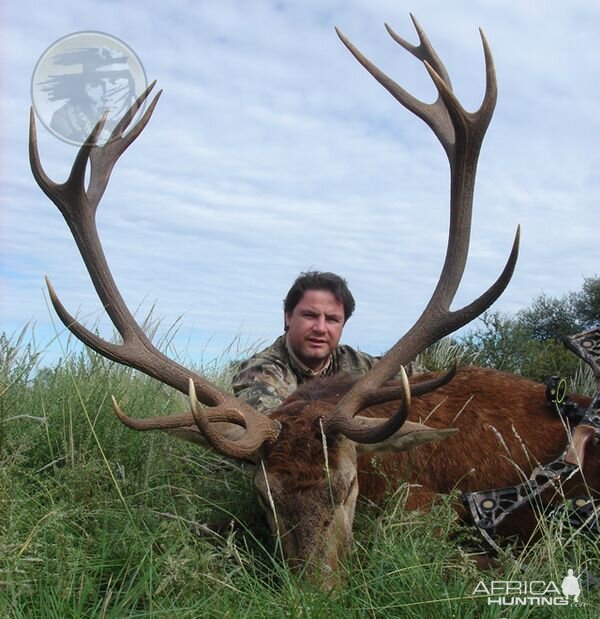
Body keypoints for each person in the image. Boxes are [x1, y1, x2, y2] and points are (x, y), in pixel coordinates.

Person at [232, 271, 389, 412]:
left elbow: (411, 378)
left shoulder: (359, 364)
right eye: (310, 315)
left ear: (343, 325)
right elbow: (273, 426)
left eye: (332, 319)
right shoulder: (260, 371)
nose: (320, 328)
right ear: (288, 317)